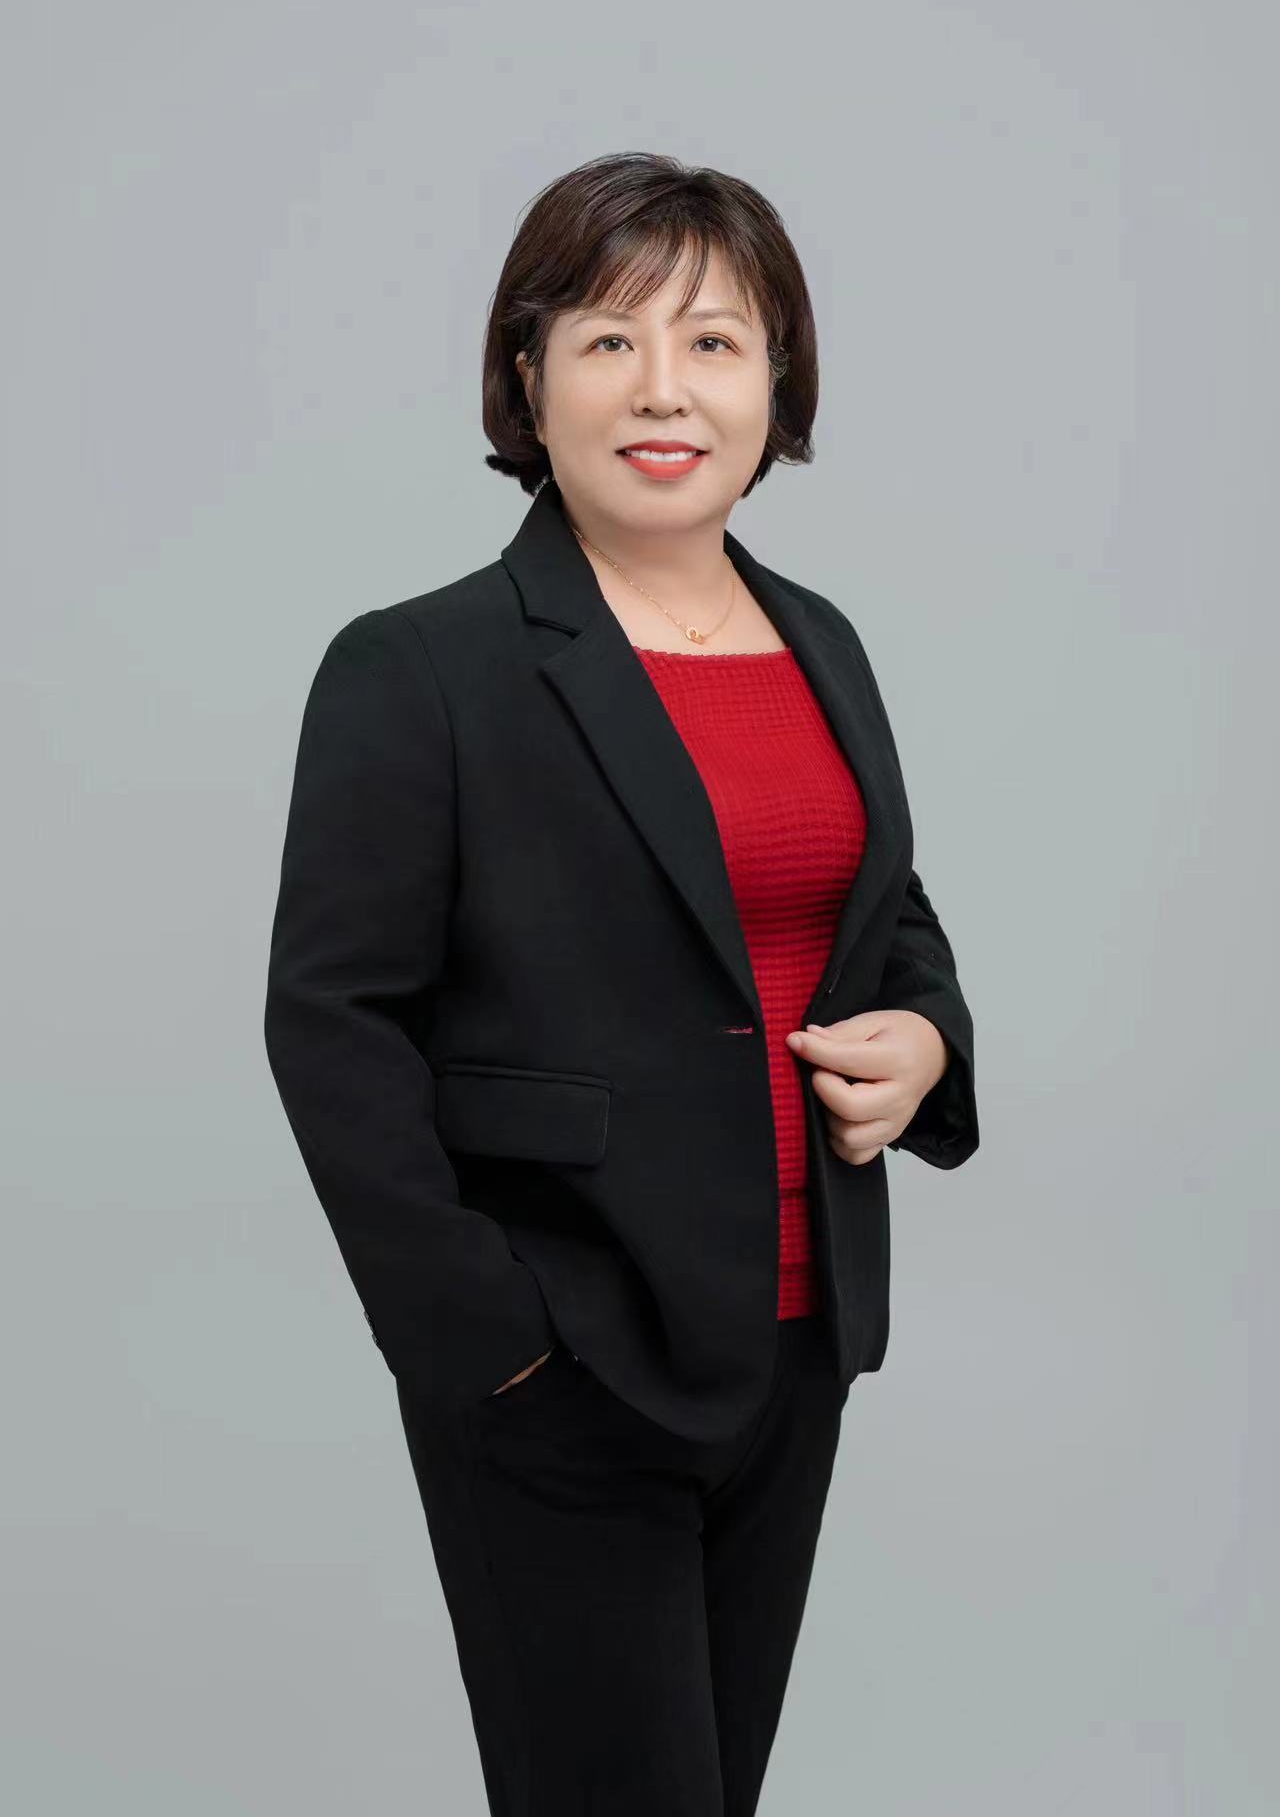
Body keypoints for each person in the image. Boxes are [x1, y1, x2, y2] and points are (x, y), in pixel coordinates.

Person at [263, 150, 979, 1816]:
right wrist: (484, 1340)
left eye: (714, 343)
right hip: (564, 1357)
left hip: (797, 1344)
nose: (665, 389)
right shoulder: (421, 665)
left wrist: (931, 1041)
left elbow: (883, 911)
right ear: (530, 379)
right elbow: (331, 1021)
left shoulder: (821, 641)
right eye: (607, 341)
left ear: (777, 382)